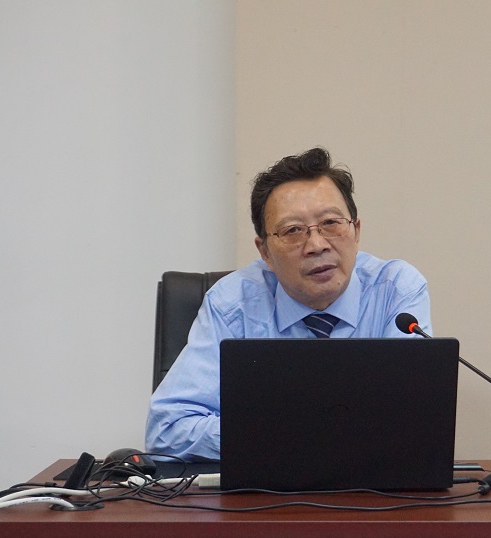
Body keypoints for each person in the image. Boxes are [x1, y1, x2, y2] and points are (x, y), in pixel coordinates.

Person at [145, 147, 432, 461]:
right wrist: (290, 435)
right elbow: (167, 429)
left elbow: (411, 420)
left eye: (331, 223)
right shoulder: (232, 304)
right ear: (265, 252)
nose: (317, 245)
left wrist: (272, 433)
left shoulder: (395, 290)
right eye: (293, 230)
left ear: (356, 231)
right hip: (263, 488)